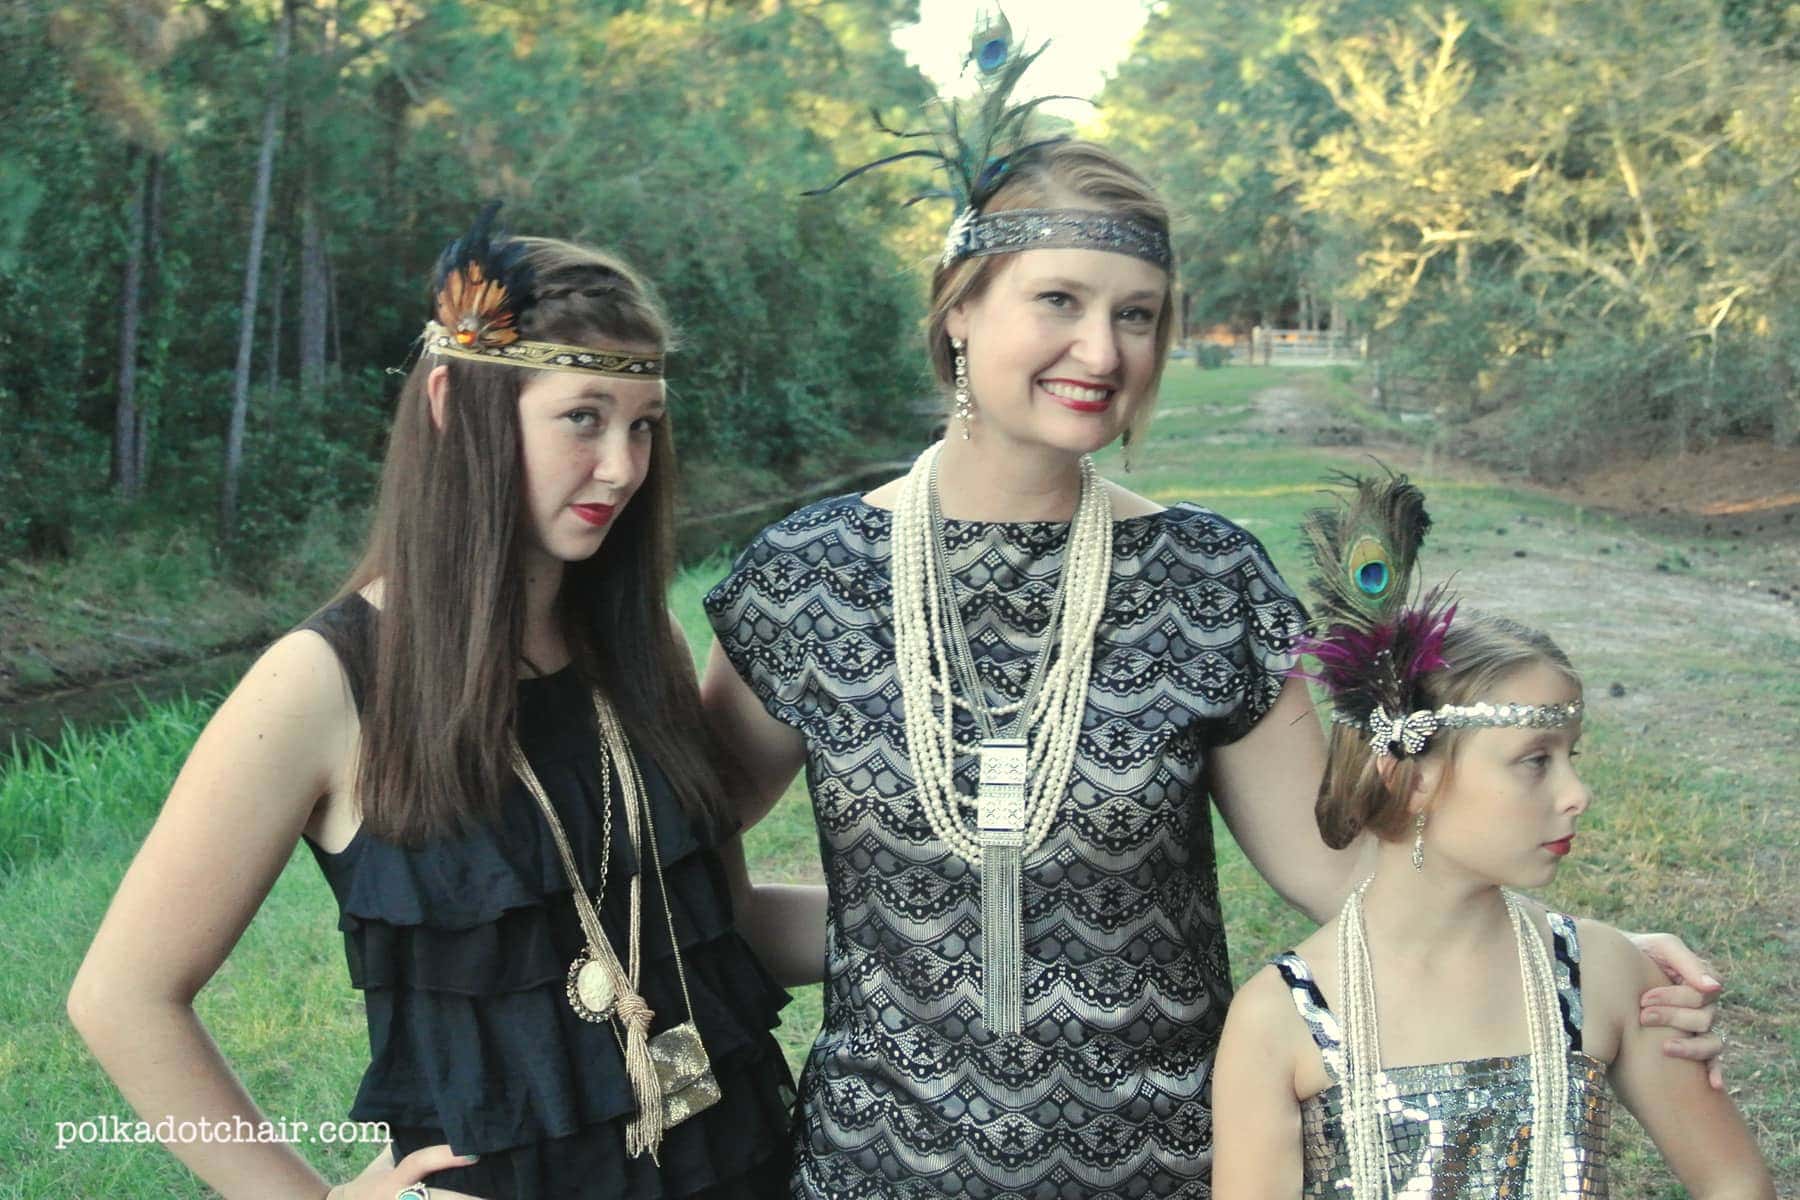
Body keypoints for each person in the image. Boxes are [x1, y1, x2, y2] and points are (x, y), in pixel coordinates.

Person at [700, 129, 1725, 1198]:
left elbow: (1341, 873)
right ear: (958, 307)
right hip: (876, 1168)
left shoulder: (1204, 579)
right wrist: (895, 936)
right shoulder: (806, 581)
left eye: (1135, 314)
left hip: (1171, 1164)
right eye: (1059, 300)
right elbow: (676, 858)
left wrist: (1580, 950)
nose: (1101, 351)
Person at [67, 209, 795, 1200]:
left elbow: (720, 920)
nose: (624, 466)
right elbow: (122, 998)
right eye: (583, 417)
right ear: (456, 402)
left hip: (740, 1162)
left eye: (644, 426)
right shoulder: (324, 683)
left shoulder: (642, 648)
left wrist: (978, 920)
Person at [1210, 476, 1772, 1198]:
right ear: (1410, 777)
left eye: (1574, 756)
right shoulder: (1282, 1017)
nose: (1577, 794)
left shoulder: (1601, 975)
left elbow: (1736, 1182)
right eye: (1535, 761)